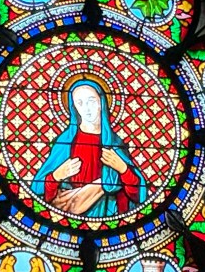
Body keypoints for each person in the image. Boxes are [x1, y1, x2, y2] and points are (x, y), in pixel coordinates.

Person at [31, 79, 147, 218]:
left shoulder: (115, 143)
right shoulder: (66, 141)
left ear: (101, 103)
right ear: (74, 107)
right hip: (67, 213)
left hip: (108, 215)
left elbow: (138, 195)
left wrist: (123, 169)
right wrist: (56, 176)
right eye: (79, 103)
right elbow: (37, 190)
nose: (86, 108)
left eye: (91, 101)